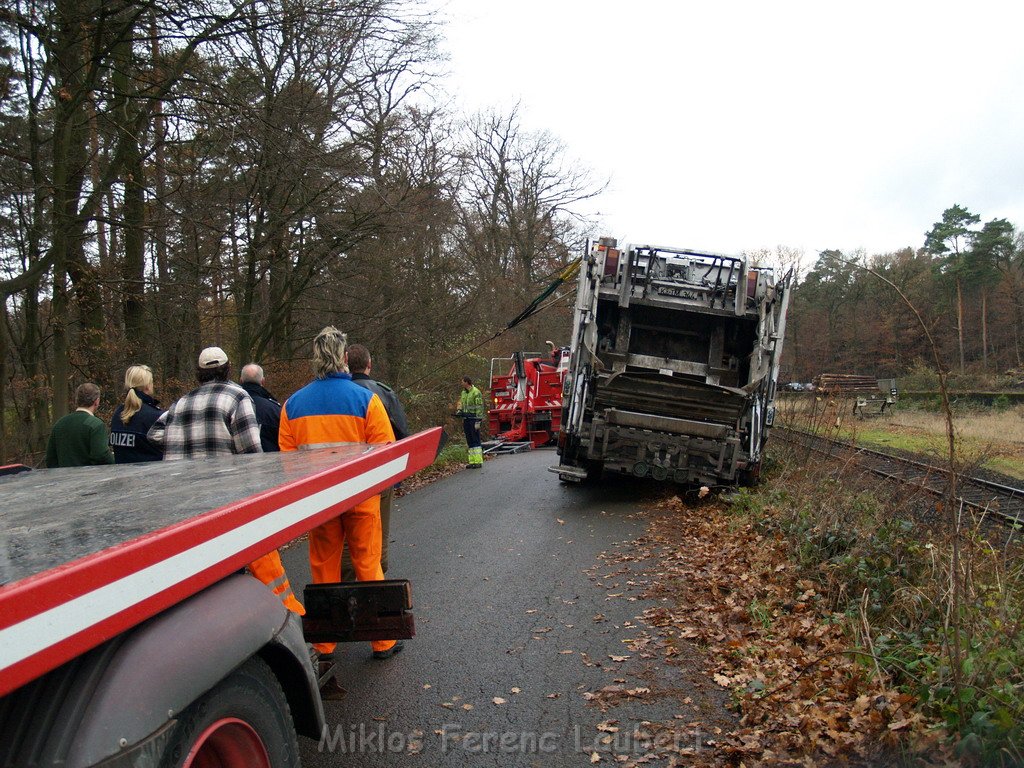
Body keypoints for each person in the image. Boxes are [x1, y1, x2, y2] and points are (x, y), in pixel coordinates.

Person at [148, 346, 303, 616]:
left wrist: (188, 440)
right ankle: (278, 617)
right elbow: (251, 452)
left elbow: (154, 433)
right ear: (228, 369)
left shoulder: (182, 402)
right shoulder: (237, 396)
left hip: (181, 502)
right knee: (244, 561)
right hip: (223, 499)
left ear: (199, 373)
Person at [278, 327, 400, 660]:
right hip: (361, 499)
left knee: (324, 568)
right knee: (367, 564)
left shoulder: (293, 405)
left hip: (320, 503)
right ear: (346, 358)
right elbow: (385, 453)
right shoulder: (366, 399)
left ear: (315, 359)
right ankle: (382, 642)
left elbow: (288, 462)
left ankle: (325, 644)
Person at [341, 343, 410, 580]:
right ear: (369, 364)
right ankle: (377, 575)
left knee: (345, 533)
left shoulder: (339, 392)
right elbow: (402, 432)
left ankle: (346, 580)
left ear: (345, 364)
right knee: (378, 527)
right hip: (379, 473)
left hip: (343, 473)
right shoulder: (382, 392)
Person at [45, 383, 115, 467]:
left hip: (63, 478)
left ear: (76, 400)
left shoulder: (60, 423)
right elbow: (101, 456)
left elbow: (50, 459)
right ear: (96, 401)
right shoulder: (96, 425)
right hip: (89, 478)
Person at [109, 365, 165, 463]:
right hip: (151, 475)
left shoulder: (117, 414)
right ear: (148, 386)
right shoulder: (156, 416)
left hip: (120, 476)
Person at [239, 363, 283, 452]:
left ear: (241, 380)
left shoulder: (233, 405)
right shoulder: (274, 409)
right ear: (263, 381)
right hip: (271, 462)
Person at [456, 375, 484, 468]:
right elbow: (461, 403)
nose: (461, 383)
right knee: (469, 440)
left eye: (462, 382)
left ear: (467, 382)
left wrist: (478, 420)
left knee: (475, 439)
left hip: (473, 419)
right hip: (466, 419)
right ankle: (472, 461)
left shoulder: (476, 392)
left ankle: (478, 461)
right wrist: (459, 411)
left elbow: (479, 406)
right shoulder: (464, 392)